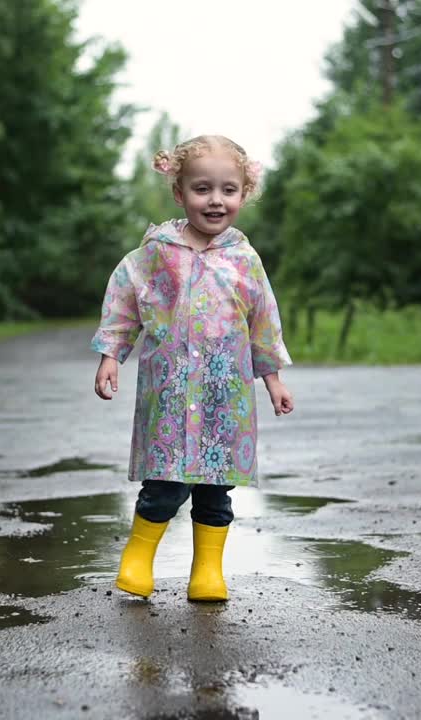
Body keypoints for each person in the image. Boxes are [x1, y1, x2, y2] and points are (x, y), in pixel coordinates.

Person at [91, 135, 293, 602]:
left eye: (228, 190)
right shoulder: (156, 254)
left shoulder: (245, 260)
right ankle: (138, 559)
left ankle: (207, 572)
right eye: (203, 189)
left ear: (244, 194)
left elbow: (264, 320)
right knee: (163, 485)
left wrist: (273, 378)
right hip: (171, 394)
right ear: (180, 193)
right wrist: (110, 355)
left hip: (225, 399)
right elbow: (123, 302)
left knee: (215, 493)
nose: (216, 200)